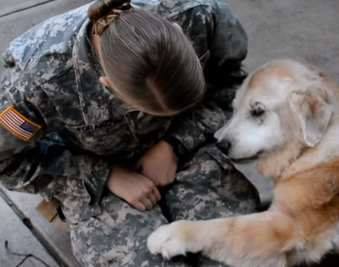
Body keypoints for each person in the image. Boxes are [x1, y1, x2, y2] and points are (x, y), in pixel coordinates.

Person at [0, 0, 260, 266]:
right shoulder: (33, 85)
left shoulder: (202, 16)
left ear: (179, 32)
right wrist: (105, 175)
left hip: (182, 147)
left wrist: (174, 144)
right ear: (107, 86)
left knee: (243, 250)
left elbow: (236, 86)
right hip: (93, 177)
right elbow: (7, 163)